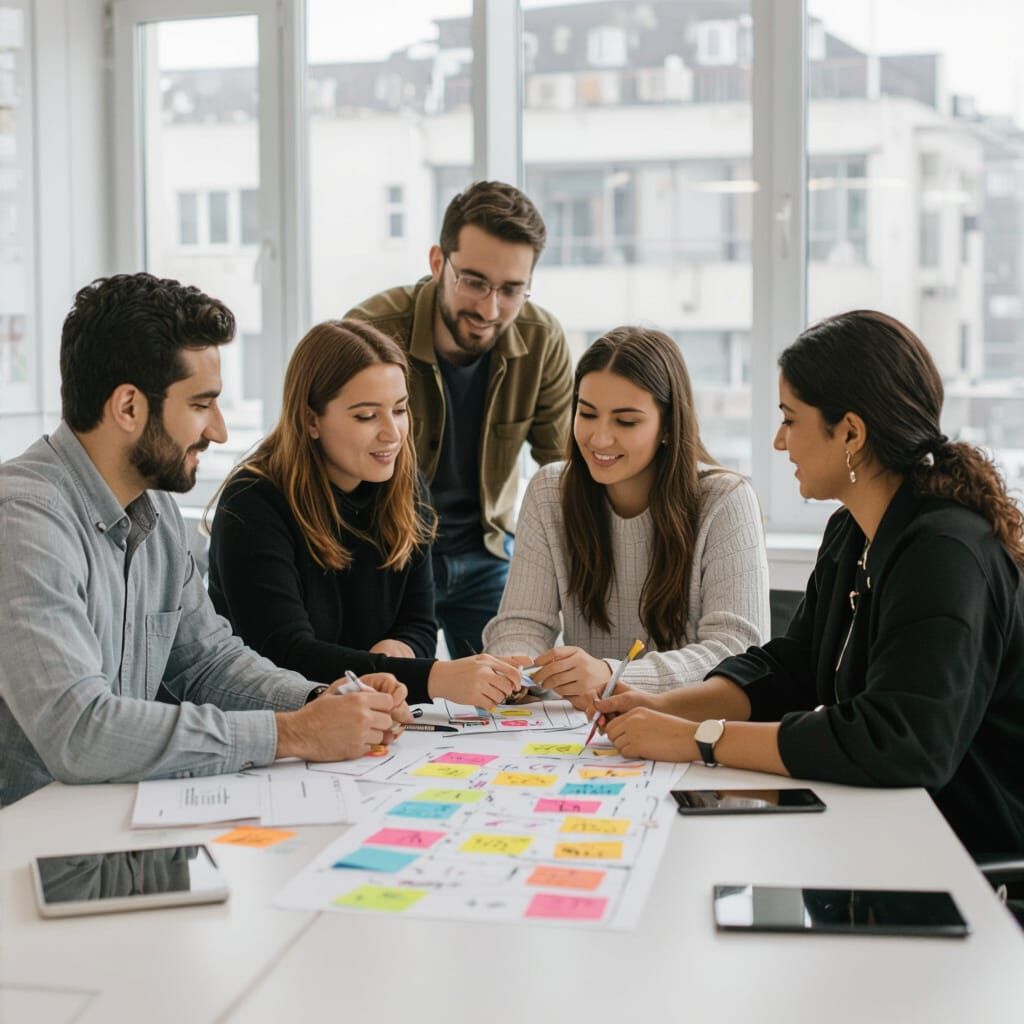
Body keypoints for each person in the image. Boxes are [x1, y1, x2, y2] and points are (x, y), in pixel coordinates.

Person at [595, 311, 1024, 857]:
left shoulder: (946, 552)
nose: (779, 442)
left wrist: (697, 741)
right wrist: (669, 705)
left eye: (790, 419)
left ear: (850, 431)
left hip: (967, 864)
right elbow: (792, 669)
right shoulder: (852, 529)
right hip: (882, 834)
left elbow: (897, 741)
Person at [0, 274, 411, 807]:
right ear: (128, 408)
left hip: (110, 821)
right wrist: (293, 734)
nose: (218, 430)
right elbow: (79, 731)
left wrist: (318, 701)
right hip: (27, 842)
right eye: (201, 404)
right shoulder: (25, 518)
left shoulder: (156, 508)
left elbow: (206, 661)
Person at [208, 319, 524, 708]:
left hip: (366, 719)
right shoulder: (252, 501)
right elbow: (284, 654)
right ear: (311, 420)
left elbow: (419, 623)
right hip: (272, 720)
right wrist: (434, 676)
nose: (393, 433)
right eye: (366, 416)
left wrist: (400, 652)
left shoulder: (406, 484)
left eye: (400, 409)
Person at [483, 326, 771, 705]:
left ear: (668, 426)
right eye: (587, 414)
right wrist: (515, 665)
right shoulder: (549, 491)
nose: (600, 439)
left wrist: (611, 674)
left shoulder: (726, 499)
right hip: (583, 732)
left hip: (686, 728)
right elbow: (523, 623)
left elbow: (735, 654)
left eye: (626, 421)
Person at [345, 180, 573, 656]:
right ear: (436, 263)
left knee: (510, 699)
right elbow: (327, 460)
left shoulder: (542, 339)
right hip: (387, 555)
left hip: (486, 553)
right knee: (384, 703)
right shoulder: (370, 333)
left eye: (512, 290)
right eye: (473, 282)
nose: (490, 309)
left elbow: (566, 470)